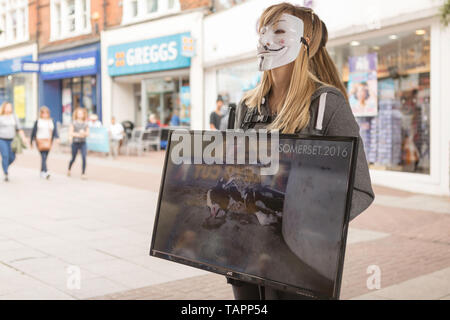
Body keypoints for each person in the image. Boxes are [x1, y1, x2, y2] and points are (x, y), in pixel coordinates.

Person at [229, 3, 375, 299]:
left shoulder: (326, 105)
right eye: (263, 30)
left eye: (279, 30)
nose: (266, 39)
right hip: (246, 256)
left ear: (304, 43)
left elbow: (360, 189)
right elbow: (232, 174)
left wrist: (307, 222)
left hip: (297, 265)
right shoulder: (246, 107)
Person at [0, 101, 27, 182]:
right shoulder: (0, 117)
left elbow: (19, 129)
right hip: (2, 139)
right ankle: (6, 173)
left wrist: (24, 138)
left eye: (10, 107)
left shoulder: (14, 117)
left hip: (12, 140)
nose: (9, 108)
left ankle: (5, 166)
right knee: (5, 155)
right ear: (4, 108)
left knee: (12, 157)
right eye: (7, 107)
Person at [30, 106, 58, 179]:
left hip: (48, 141)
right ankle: (46, 171)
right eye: (43, 113)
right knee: (43, 156)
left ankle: (42, 171)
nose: (45, 115)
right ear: (41, 114)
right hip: (39, 140)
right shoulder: (38, 121)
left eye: (46, 113)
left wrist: (57, 138)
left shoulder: (51, 121)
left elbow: (54, 131)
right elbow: (33, 132)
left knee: (45, 157)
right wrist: (31, 142)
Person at [68, 107, 89, 179]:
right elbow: (71, 133)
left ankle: (83, 173)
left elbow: (87, 133)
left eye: (82, 113)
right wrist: (79, 134)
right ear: (76, 114)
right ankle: (69, 168)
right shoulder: (74, 123)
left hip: (83, 143)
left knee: (84, 157)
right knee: (73, 158)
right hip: (75, 142)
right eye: (79, 113)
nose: (80, 115)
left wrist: (84, 133)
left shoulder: (85, 123)